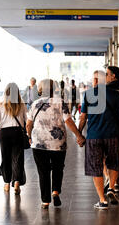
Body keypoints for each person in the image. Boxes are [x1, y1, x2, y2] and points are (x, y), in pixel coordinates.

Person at [78, 70, 119, 210]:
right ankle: (111, 186)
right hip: (111, 135)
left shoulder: (88, 94)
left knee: (95, 167)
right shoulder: (114, 94)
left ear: (96, 81)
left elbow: (83, 117)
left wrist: (79, 134)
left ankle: (102, 201)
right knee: (114, 162)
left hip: (94, 136)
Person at [26, 79, 85, 209]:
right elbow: (68, 120)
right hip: (58, 142)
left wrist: (29, 135)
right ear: (54, 89)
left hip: (39, 143)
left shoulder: (35, 104)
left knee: (43, 171)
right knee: (58, 168)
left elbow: (29, 124)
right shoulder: (60, 103)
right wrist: (78, 135)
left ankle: (45, 201)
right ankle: (55, 191)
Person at [0, 83, 27, 195]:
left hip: (4, 133)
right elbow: (27, 120)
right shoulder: (21, 104)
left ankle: (6, 183)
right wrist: (29, 134)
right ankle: (16, 182)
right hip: (17, 133)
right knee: (18, 158)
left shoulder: (1, 105)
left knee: (6, 158)